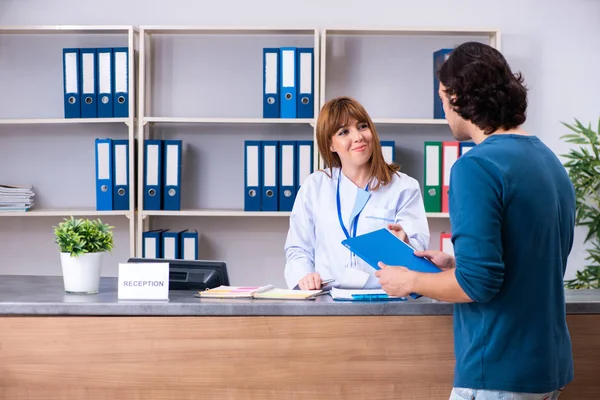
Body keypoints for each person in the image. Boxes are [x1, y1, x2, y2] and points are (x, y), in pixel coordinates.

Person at [375, 42, 575, 399]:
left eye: (442, 99)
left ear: (458, 97)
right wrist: (455, 262)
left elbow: (477, 285)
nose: (444, 111)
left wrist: (409, 280)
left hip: (497, 370)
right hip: (548, 367)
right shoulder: (548, 160)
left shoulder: (475, 167)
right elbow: (535, 257)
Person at [284, 96, 430, 290]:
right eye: (344, 132)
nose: (358, 137)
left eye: (362, 126)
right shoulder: (315, 186)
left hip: (386, 299)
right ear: (331, 144)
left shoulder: (404, 187)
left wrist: (405, 243)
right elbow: (298, 249)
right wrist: (304, 277)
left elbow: (418, 252)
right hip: (327, 300)